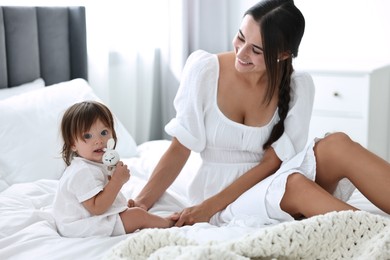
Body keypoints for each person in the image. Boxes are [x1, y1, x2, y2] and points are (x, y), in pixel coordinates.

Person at [130, 0, 390, 227]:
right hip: (224, 196)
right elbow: (180, 147)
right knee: (295, 184)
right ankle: (378, 233)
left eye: (256, 50)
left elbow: (272, 164)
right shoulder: (204, 70)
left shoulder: (298, 86)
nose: (241, 53)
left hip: (270, 180)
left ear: (283, 54)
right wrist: (142, 202)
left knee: (337, 144)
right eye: (241, 37)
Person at [52, 101, 173, 238]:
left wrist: (120, 206)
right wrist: (117, 181)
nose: (99, 140)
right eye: (88, 136)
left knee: (133, 211)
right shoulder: (83, 171)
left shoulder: (94, 164)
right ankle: (169, 224)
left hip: (86, 220)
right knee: (139, 216)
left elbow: (102, 195)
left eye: (104, 132)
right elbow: (97, 208)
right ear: (73, 144)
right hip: (79, 227)